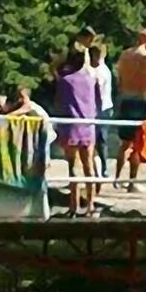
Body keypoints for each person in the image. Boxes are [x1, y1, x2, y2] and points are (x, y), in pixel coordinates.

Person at [49, 49, 105, 217]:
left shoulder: (64, 81)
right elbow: (98, 102)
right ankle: (91, 205)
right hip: (88, 125)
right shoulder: (91, 79)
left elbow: (59, 103)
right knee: (88, 166)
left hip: (71, 126)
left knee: (73, 167)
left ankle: (73, 206)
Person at [112, 28, 146, 189]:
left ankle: (117, 178)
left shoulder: (125, 55)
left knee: (124, 143)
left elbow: (119, 79)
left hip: (125, 98)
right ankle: (132, 182)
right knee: (138, 143)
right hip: (140, 100)